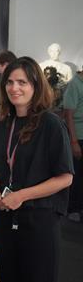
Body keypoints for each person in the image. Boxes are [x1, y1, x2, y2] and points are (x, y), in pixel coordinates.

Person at [0, 56, 73, 282]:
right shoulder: (4, 123)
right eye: (10, 82)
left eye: (22, 82)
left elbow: (66, 177)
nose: (14, 88)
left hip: (39, 222)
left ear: (36, 86)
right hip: (5, 221)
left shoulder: (51, 124)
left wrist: (22, 195)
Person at [63, 70, 83, 221]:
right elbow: (68, 114)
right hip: (79, 136)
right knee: (76, 175)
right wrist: (74, 141)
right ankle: (73, 208)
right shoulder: (75, 84)